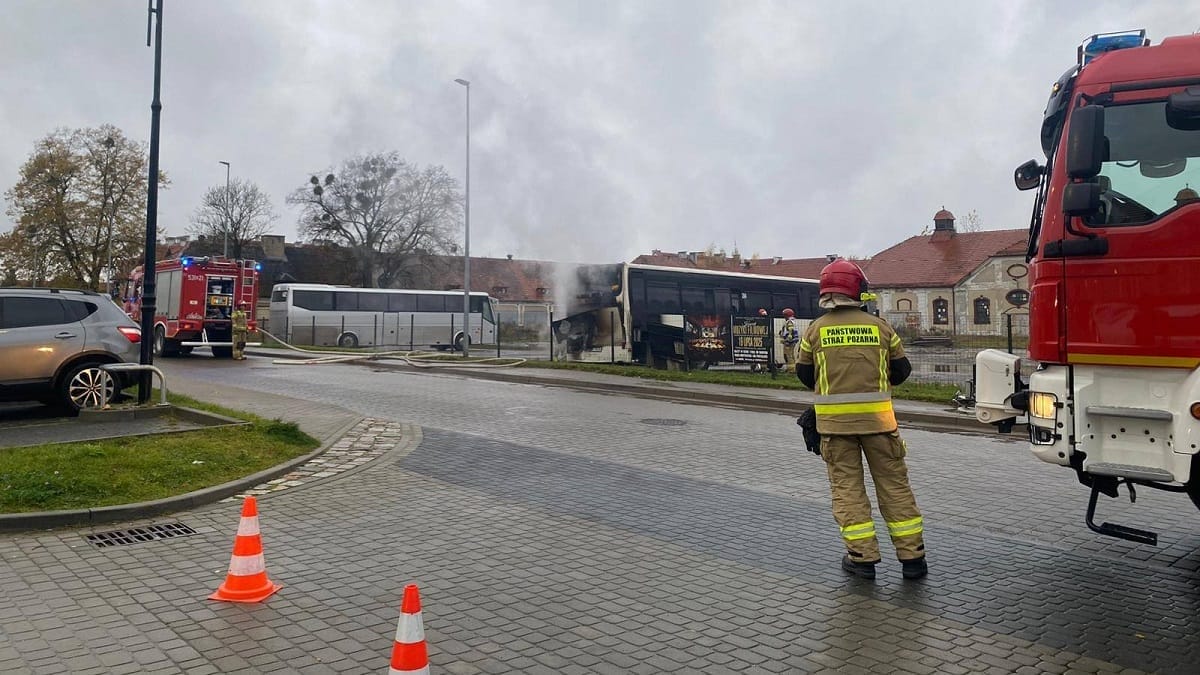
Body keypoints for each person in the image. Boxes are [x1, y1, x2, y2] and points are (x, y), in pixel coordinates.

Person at [796, 258, 927, 580]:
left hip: (834, 429)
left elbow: (804, 374)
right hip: (880, 426)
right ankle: (913, 559)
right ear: (858, 290)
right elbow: (902, 370)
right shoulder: (880, 328)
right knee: (895, 487)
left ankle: (862, 559)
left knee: (848, 490)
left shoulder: (815, 330)